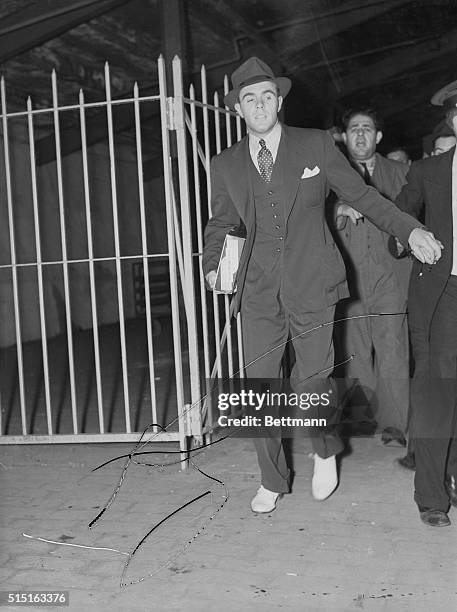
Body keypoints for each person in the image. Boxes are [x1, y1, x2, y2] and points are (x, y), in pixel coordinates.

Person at [202, 57, 442, 514]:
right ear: (238, 108)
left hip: (313, 283)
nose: (259, 106)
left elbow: (364, 196)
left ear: (279, 101)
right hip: (255, 290)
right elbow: (220, 223)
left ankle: (326, 450)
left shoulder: (314, 146)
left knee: (314, 377)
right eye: (249, 99)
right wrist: (213, 266)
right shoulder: (226, 164)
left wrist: (408, 229)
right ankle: (272, 479)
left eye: (267, 96)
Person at [394, 80, 457, 526]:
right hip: (446, 293)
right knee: (438, 391)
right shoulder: (427, 171)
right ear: (454, 120)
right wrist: (412, 236)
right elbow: (399, 219)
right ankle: (432, 496)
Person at [333, 108, 412, 445]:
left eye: (367, 129)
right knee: (353, 348)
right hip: (349, 273)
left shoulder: (402, 172)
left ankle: (394, 424)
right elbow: (310, 210)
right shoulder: (330, 173)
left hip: (390, 275)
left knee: (392, 346)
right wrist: (337, 208)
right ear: (344, 136)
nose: (361, 135)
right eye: (354, 129)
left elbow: (419, 212)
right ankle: (361, 418)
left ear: (378, 137)